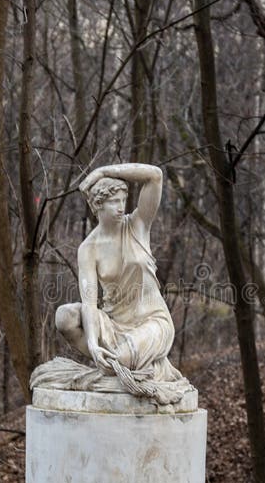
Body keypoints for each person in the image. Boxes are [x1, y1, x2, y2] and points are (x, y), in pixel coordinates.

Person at [55, 163, 178, 383]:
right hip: (113, 323)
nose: (121, 207)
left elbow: (155, 176)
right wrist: (92, 345)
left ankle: (118, 364)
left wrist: (103, 172)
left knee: (121, 359)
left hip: (151, 321)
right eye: (114, 202)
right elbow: (89, 303)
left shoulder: (138, 225)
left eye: (123, 200)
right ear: (97, 205)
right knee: (64, 317)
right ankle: (105, 360)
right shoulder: (88, 248)